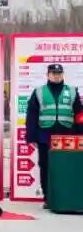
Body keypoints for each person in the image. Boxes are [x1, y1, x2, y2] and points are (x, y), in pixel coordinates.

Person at [25, 63, 83, 205]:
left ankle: (66, 197)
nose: (56, 76)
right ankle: (48, 197)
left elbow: (79, 114)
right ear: (48, 75)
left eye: (59, 73)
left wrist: (80, 133)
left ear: (63, 74)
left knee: (67, 167)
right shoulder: (39, 92)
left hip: (67, 137)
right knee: (45, 166)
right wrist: (31, 136)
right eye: (53, 73)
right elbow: (32, 115)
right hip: (45, 136)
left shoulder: (72, 91)